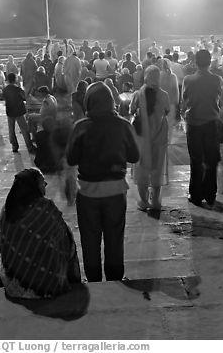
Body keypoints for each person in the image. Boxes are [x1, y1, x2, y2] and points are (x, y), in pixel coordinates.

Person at [66, 82, 139, 282]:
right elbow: (134, 156)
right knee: (115, 237)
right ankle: (115, 278)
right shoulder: (123, 125)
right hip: (116, 192)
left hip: (88, 193)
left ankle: (94, 280)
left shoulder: (81, 126)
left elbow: (71, 158)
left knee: (90, 239)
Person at [0, 168, 89, 319]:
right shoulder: (45, 209)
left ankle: (4, 279)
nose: (45, 185)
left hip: (15, 287)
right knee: (66, 235)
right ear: (34, 187)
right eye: (41, 182)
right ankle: (72, 281)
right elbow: (65, 243)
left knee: (1, 237)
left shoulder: (7, 210)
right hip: (49, 287)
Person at [182, 50, 223, 207]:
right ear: (210, 61)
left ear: (195, 62)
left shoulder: (188, 80)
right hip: (212, 122)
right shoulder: (217, 79)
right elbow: (219, 98)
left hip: (194, 123)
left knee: (196, 160)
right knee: (211, 159)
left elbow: (185, 100)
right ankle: (210, 194)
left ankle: (196, 195)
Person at [130, 65, 170, 211]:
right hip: (159, 136)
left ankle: (144, 201)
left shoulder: (137, 94)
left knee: (142, 167)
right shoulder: (164, 95)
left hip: (142, 138)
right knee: (157, 168)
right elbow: (167, 111)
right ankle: (156, 202)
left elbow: (131, 110)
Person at [2, 73, 35, 153]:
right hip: (19, 111)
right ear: (15, 79)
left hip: (10, 111)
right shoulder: (17, 89)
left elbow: (4, 98)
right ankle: (29, 146)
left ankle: (14, 146)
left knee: (11, 129)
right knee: (24, 129)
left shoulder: (5, 89)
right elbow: (24, 97)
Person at [160, 58, 179, 141]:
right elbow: (176, 90)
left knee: (160, 123)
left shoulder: (159, 76)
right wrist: (177, 101)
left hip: (160, 102)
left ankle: (161, 140)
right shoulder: (173, 76)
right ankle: (169, 140)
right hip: (171, 102)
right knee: (170, 123)